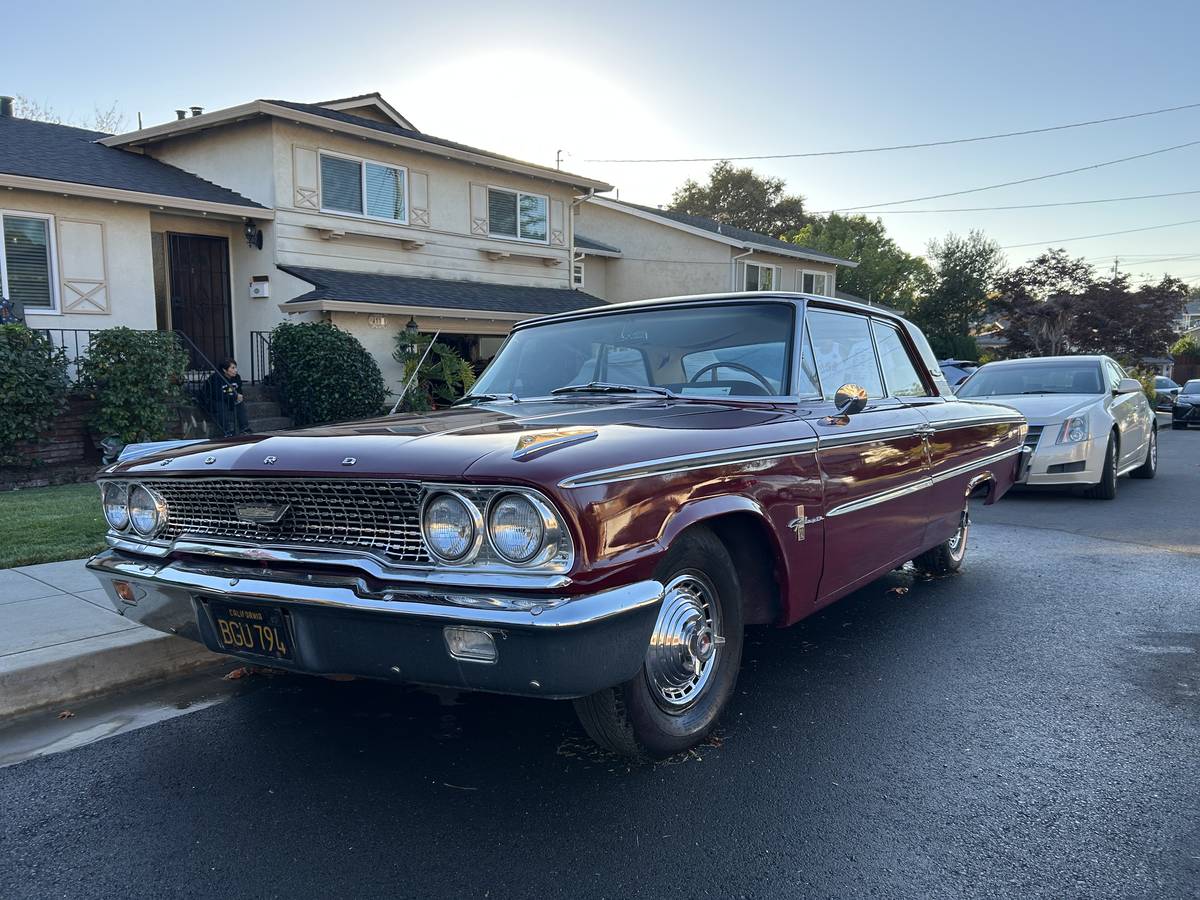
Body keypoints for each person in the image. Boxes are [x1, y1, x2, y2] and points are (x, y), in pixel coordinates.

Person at [205, 357, 252, 436]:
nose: (235, 370)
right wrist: (234, 396)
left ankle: (245, 428)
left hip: (229, 399)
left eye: (235, 368)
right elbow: (217, 395)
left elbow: (239, 390)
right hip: (215, 401)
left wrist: (239, 396)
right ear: (224, 370)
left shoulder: (237, 377)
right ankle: (227, 431)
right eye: (232, 368)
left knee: (240, 404)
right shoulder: (216, 378)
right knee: (221, 405)